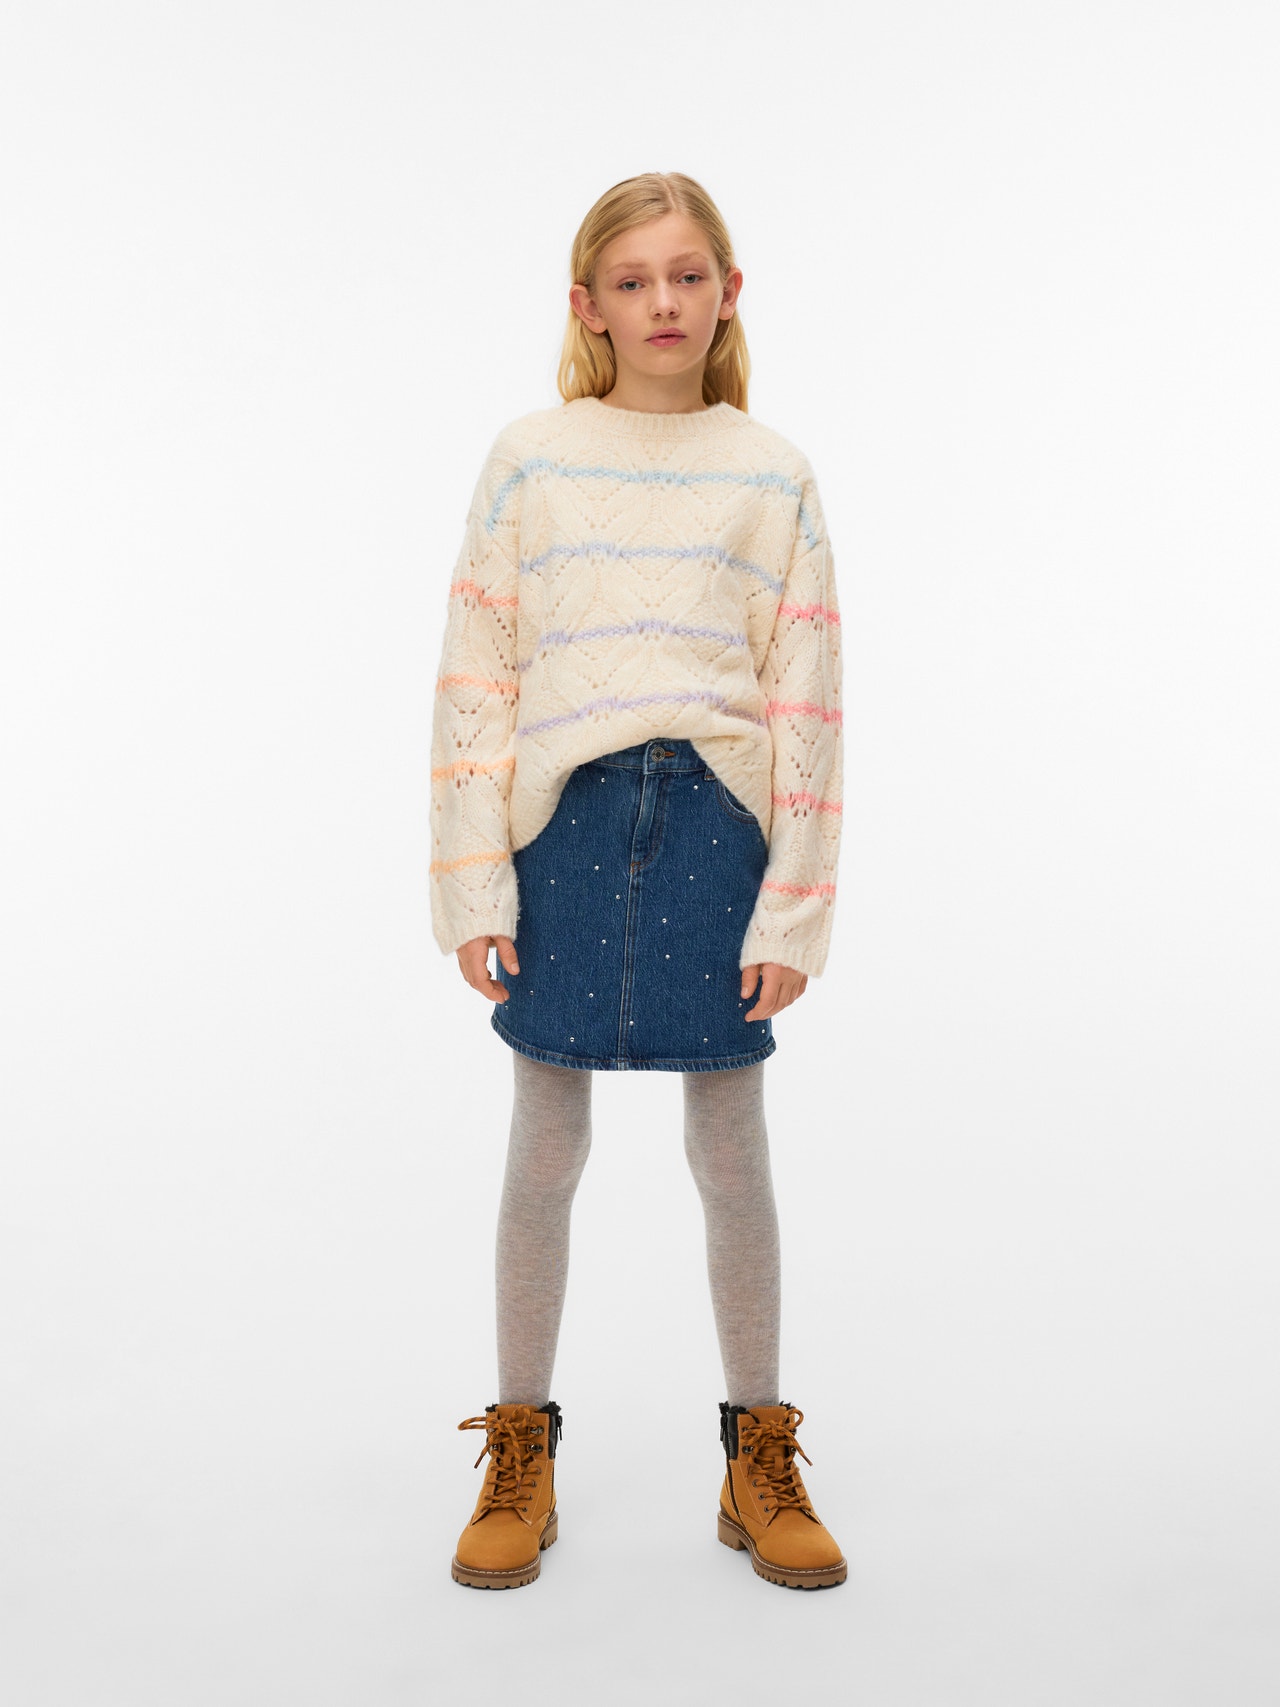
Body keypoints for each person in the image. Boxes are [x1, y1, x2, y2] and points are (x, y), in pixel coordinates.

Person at [429, 171, 847, 1591]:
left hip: (720, 827)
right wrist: (475, 883)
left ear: (728, 292)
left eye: (686, 275)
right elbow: (478, 675)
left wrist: (795, 904)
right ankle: (520, 1446)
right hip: (564, 827)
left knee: (730, 1153)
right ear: (588, 305)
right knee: (545, 1150)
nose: (662, 301)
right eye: (632, 281)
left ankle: (758, 1452)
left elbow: (808, 696)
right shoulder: (530, 458)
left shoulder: (772, 472)